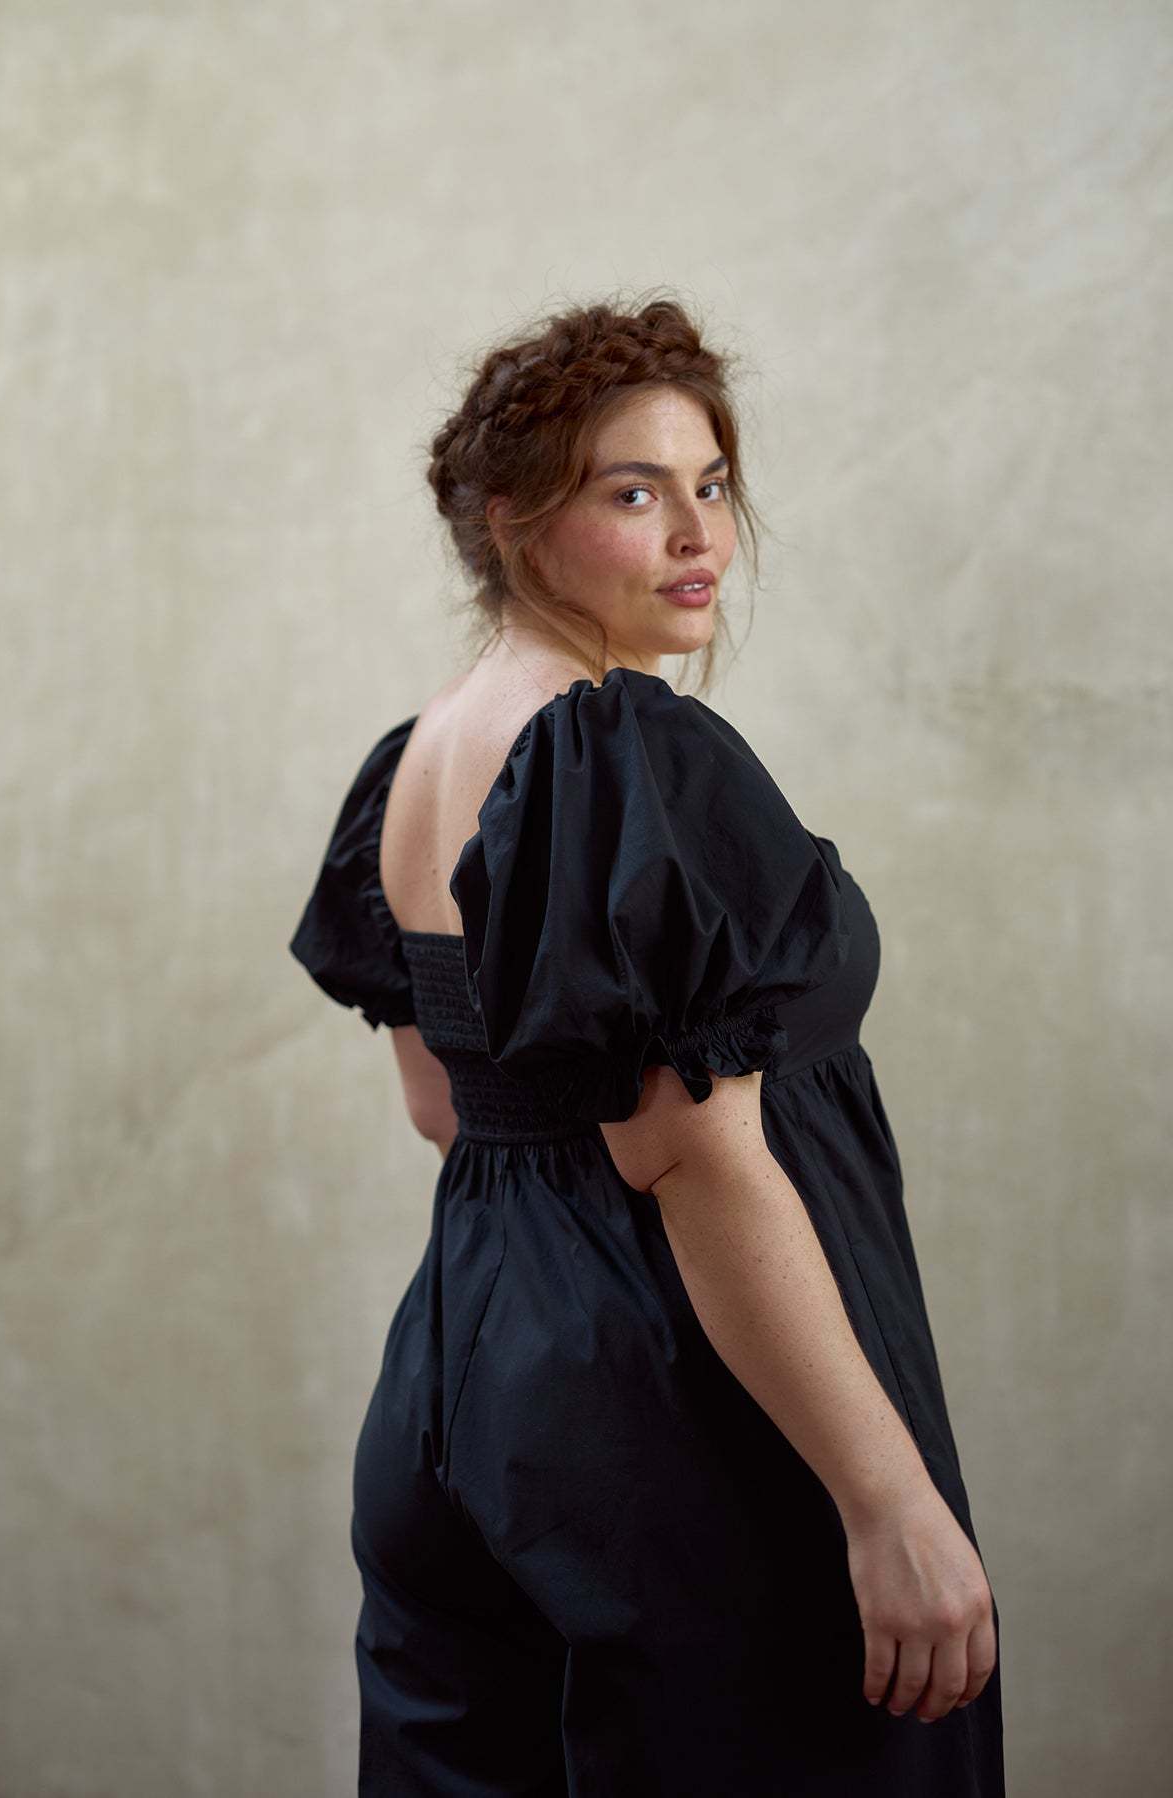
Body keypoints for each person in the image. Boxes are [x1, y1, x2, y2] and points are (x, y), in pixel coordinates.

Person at [288, 292, 1005, 1795]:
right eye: (633, 493)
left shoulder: (425, 753)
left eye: (713, 484)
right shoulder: (617, 750)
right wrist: (887, 1499)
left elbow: (446, 1102)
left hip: (462, 1382)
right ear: (512, 524)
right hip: (671, 1407)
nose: (698, 535)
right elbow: (696, 1160)